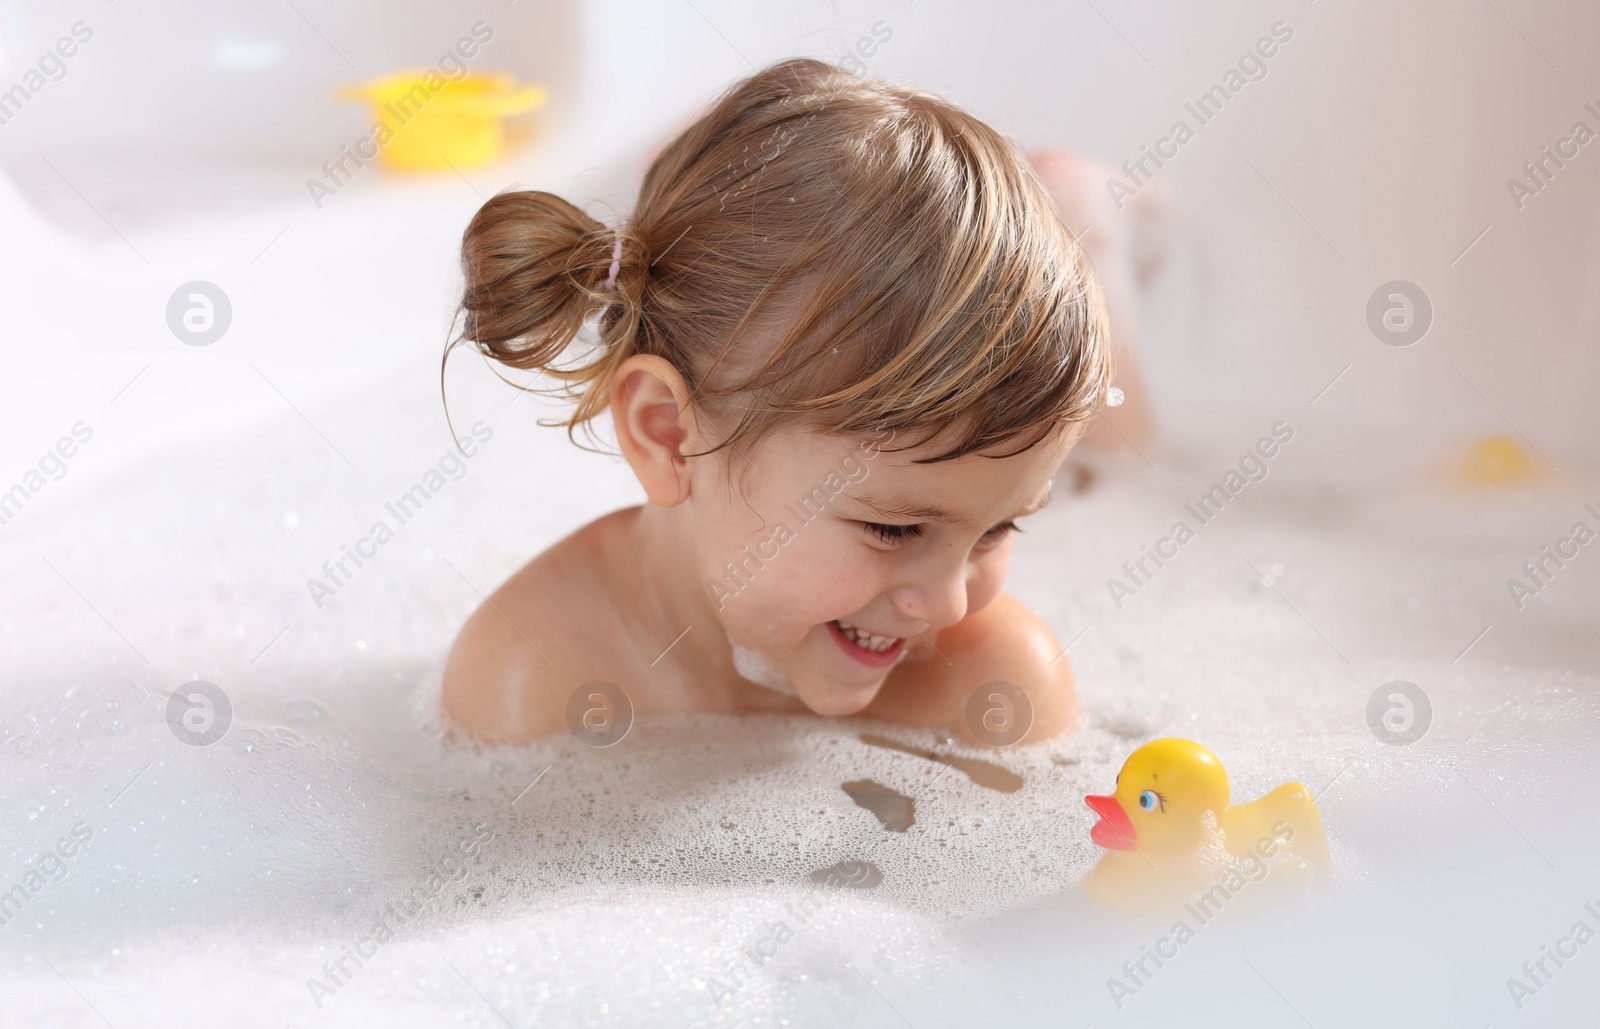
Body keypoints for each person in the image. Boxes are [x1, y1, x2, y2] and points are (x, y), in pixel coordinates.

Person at [441, 57, 1147, 746]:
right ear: (664, 434)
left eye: (1000, 529)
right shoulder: (535, 681)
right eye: (894, 531)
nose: (949, 604)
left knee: (1125, 447)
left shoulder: (992, 690)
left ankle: (1087, 220)